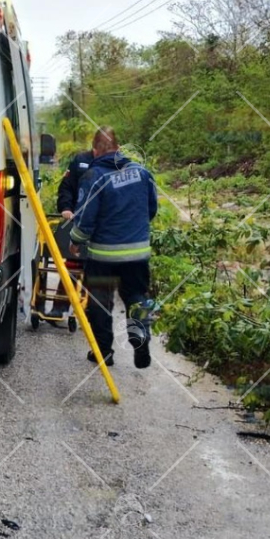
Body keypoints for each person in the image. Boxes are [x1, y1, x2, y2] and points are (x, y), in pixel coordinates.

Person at [68, 127, 157, 369]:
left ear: (95, 151)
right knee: (137, 298)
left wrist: (75, 240)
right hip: (137, 254)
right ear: (119, 149)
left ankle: (104, 353)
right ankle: (140, 339)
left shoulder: (94, 177)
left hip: (103, 256)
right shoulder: (142, 173)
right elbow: (151, 209)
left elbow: (86, 219)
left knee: (99, 302)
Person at [45, 129, 108, 318]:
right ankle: (60, 305)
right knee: (72, 263)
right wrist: (65, 208)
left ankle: (92, 310)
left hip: (102, 224)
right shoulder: (80, 161)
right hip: (77, 219)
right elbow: (66, 188)